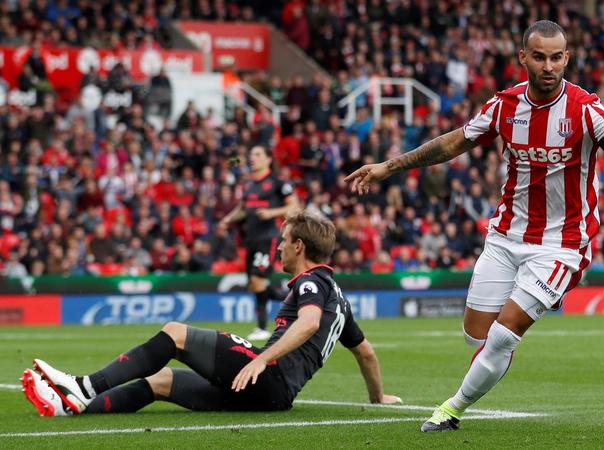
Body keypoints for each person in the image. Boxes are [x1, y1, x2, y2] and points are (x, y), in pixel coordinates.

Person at [344, 20, 604, 432]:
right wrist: (388, 166)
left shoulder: (587, 109)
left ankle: (451, 410)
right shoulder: (504, 106)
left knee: (504, 335)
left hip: (562, 245)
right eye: (541, 57)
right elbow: (453, 142)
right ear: (523, 57)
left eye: (557, 57)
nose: (549, 66)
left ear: (567, 58)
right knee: (476, 337)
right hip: (505, 238)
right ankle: (481, 373)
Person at [21, 209, 401, 416]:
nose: (279, 248)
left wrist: (261, 360)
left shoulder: (310, 283)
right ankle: (67, 407)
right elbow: (365, 352)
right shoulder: (339, 297)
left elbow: (309, 322)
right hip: (269, 396)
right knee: (161, 380)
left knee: (175, 332)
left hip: (265, 378)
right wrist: (377, 397)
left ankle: (83, 386)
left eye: (284, 241)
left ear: (299, 246)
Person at [221, 145, 299, 341]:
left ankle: (263, 327)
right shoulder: (248, 184)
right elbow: (242, 208)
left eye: (257, 154)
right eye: (251, 154)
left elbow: (294, 206)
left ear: (268, 159)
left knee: (258, 281)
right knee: (255, 285)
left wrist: (271, 213)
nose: (252, 158)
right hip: (250, 238)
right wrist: (228, 219)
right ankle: (299, 299)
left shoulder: (277, 182)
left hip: (268, 237)